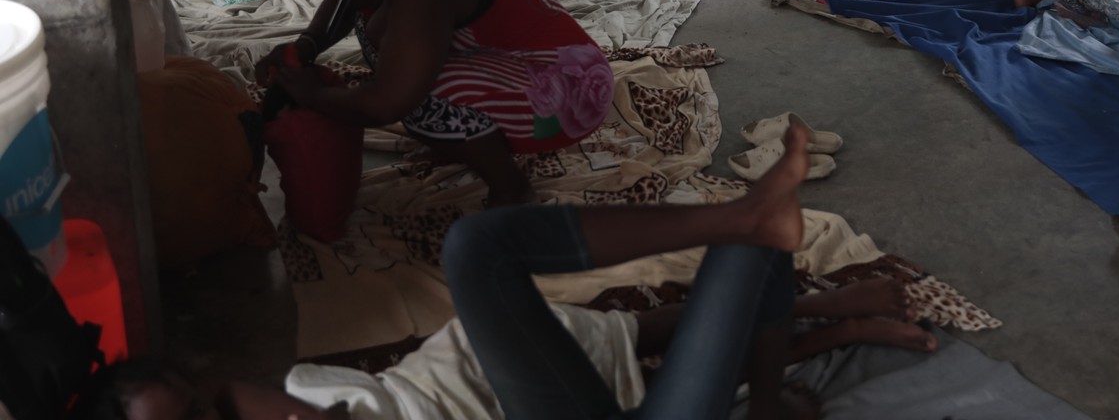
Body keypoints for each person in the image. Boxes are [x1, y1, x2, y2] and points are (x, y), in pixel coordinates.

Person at [71, 130, 939, 420]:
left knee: (489, 258)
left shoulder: (287, 387)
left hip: (517, 372)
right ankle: (816, 300)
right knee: (488, 258)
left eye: (208, 414)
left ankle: (792, 271)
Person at [260, 0, 614, 206]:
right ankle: (467, 142)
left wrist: (312, 94)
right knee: (384, 39)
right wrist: (306, 45)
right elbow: (344, 1)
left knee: (420, 91)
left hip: (573, 94)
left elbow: (387, 104)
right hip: (533, 69)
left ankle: (512, 190)